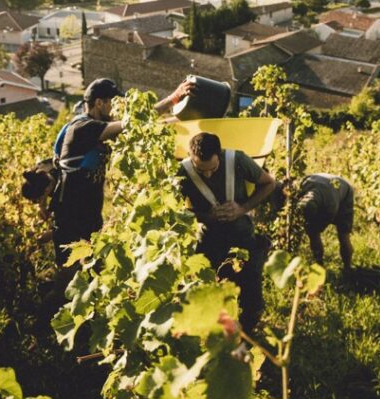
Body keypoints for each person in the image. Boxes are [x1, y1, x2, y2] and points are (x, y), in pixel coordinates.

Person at [49, 77, 191, 265]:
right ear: (99, 103)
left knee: (93, 268)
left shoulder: (98, 127)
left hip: (90, 213)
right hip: (70, 215)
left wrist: (181, 119)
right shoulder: (82, 127)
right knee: (68, 272)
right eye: (113, 103)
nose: (117, 108)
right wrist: (173, 98)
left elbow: (145, 128)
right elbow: (132, 124)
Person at [175, 131, 278, 332]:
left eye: (213, 169)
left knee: (251, 294)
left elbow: (269, 183)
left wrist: (242, 208)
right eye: (201, 170)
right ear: (190, 156)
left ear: (220, 155)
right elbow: (175, 210)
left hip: (242, 236)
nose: (207, 175)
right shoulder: (182, 171)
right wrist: (206, 216)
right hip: (209, 238)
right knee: (201, 290)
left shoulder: (237, 159)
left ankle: (247, 333)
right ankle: (209, 332)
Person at [293, 173, 354, 273]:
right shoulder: (303, 187)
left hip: (344, 192)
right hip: (324, 183)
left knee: (343, 235)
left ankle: (347, 268)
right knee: (313, 233)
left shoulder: (330, 206)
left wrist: (313, 228)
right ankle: (320, 266)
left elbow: (321, 224)